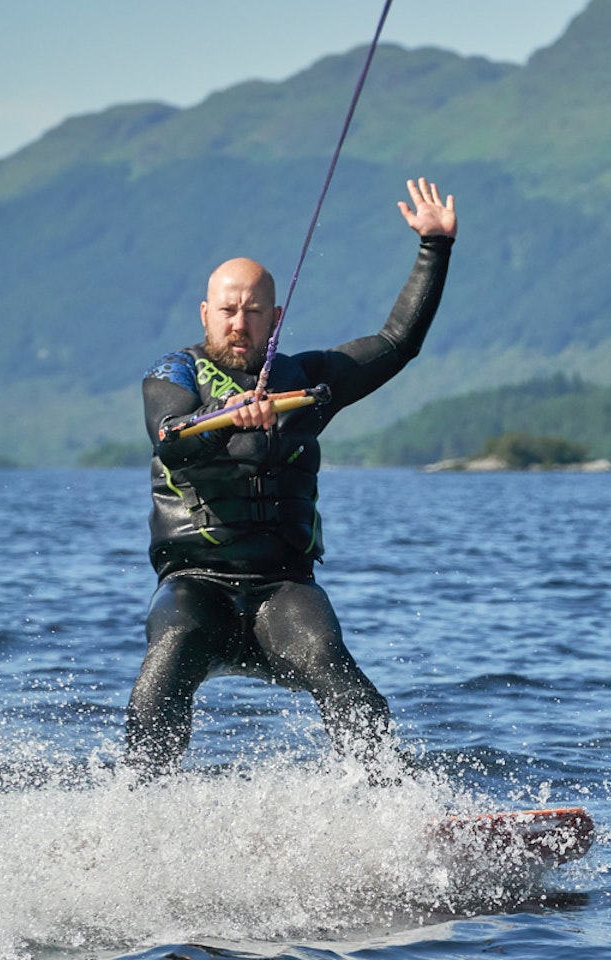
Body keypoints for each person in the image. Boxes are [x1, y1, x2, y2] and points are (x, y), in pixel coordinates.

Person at [124, 177, 457, 777]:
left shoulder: (306, 382)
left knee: (334, 665)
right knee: (165, 662)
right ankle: (137, 806)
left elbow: (396, 342)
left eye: (253, 313)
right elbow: (169, 433)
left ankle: (394, 813)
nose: (239, 324)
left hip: (282, 587)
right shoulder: (172, 373)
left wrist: (434, 249)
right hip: (197, 583)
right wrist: (225, 420)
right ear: (207, 313)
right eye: (227, 311)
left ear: (275, 318)